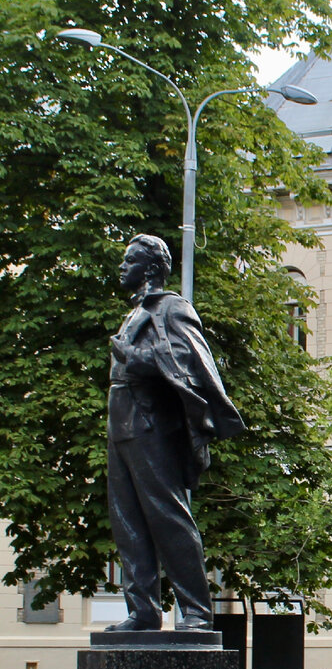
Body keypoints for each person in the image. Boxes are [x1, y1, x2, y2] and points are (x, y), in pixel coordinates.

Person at [106, 233, 245, 632]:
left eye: (129, 261)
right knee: (127, 520)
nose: (122, 267)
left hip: (151, 424)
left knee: (168, 516)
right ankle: (143, 611)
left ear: (149, 269)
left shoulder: (172, 308)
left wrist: (136, 358)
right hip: (121, 423)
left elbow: (189, 363)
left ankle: (197, 613)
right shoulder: (134, 312)